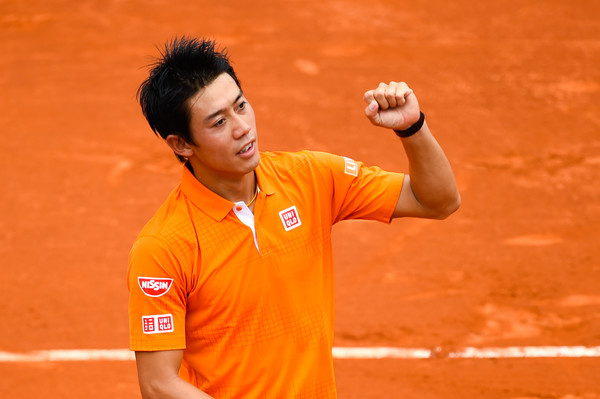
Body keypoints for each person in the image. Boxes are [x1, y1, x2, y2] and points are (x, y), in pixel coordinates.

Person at [127, 36, 460, 399]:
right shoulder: (163, 248)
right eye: (218, 122)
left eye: (241, 105)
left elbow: (437, 201)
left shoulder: (309, 177)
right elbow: (159, 385)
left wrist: (412, 128)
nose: (242, 127)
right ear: (181, 144)